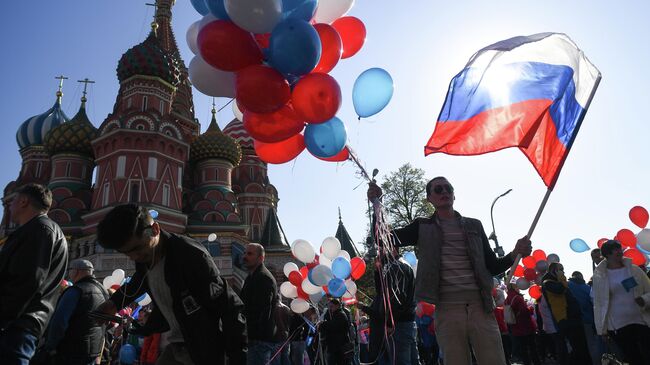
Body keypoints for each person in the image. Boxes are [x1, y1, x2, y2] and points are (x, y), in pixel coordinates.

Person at [367, 177, 531, 365]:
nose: (444, 192)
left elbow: (492, 266)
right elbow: (382, 239)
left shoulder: (474, 225)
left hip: (481, 307)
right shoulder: (422, 226)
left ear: (454, 194)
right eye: (438, 189)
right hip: (447, 309)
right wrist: (377, 205)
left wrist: (514, 253)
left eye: (448, 188)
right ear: (429, 198)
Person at [95, 204, 246, 365]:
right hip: (178, 346)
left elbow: (230, 307)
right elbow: (139, 281)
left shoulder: (189, 256)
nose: (133, 257)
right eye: (126, 252)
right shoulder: (146, 256)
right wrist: (113, 303)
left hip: (204, 348)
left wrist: (238, 358)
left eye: (136, 249)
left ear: (155, 230)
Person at [0, 183, 68, 364]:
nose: (9, 205)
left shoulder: (39, 230)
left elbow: (27, 281)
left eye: (13, 200)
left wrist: (3, 317)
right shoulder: (39, 229)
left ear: (23, 201)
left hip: (17, 326)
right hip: (22, 324)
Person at [592, 240, 650, 365]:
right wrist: (602, 330)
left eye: (619, 248)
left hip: (641, 319)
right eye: (615, 249)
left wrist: (644, 300)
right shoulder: (600, 276)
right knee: (634, 357)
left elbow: (648, 290)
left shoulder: (634, 270)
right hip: (618, 325)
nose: (619, 251)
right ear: (607, 254)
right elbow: (598, 304)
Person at [43, 259, 109, 365]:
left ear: (76, 271)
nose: (70, 273)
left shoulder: (76, 290)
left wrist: (50, 346)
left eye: (71, 270)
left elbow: (59, 321)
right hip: (93, 352)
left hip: (71, 352)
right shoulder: (103, 291)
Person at [359, 249, 418, 365]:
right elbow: (382, 293)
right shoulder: (397, 266)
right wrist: (378, 271)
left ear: (392, 249)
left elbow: (396, 299)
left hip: (399, 324)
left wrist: (391, 323)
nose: (380, 254)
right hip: (404, 322)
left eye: (382, 250)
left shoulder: (397, 268)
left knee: (402, 361)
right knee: (412, 360)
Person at [541, 262, 591, 364]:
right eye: (561, 269)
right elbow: (560, 290)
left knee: (581, 347)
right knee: (578, 348)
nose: (563, 272)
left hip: (573, 318)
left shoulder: (556, 281)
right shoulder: (548, 282)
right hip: (566, 319)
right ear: (554, 271)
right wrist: (561, 278)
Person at [240, 243, 280, 365]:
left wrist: (251, 333)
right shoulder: (251, 277)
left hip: (259, 340)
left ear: (261, 258)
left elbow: (262, 311)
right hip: (254, 339)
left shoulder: (263, 277)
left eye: (250, 253)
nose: (245, 256)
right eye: (245, 253)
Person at [567, 271, 602, 365]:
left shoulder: (567, 286)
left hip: (573, 321)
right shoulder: (586, 287)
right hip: (588, 320)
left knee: (578, 345)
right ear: (581, 277)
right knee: (591, 344)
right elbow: (593, 302)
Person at [505, 282, 540, 365]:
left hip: (515, 328)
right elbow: (525, 312)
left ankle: (527, 362)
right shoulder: (518, 298)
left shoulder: (506, 300)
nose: (519, 288)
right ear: (514, 288)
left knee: (523, 349)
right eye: (517, 287)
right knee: (532, 347)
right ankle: (536, 362)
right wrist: (531, 309)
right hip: (525, 327)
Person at [319, 298, 354, 365]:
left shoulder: (341, 315)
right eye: (329, 307)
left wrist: (323, 324)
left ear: (337, 305)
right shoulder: (333, 314)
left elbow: (332, 326)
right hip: (334, 346)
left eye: (331, 306)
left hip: (340, 347)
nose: (330, 308)